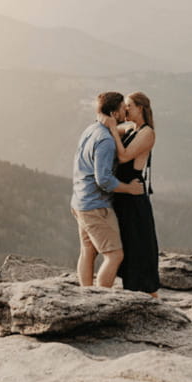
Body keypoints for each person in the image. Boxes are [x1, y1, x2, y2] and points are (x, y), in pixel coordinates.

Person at [71, 92, 145, 288]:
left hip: (80, 201)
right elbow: (103, 180)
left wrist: (120, 127)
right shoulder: (105, 142)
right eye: (123, 108)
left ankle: (85, 296)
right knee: (114, 255)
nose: (126, 111)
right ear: (113, 113)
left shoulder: (91, 130)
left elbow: (119, 130)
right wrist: (129, 188)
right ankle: (99, 304)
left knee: (88, 250)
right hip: (97, 206)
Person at [100, 92, 161, 296]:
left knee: (139, 246)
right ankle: (132, 291)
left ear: (140, 108)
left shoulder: (147, 133)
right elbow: (108, 130)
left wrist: (112, 128)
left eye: (129, 106)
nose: (125, 110)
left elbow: (124, 156)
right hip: (123, 195)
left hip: (133, 195)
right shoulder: (130, 129)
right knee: (127, 246)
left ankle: (149, 295)